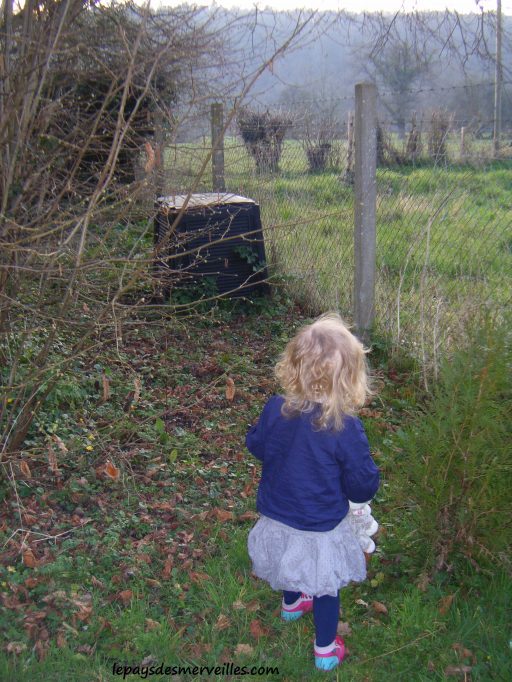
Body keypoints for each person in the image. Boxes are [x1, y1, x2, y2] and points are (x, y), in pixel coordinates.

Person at [245, 312, 380, 672]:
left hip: (278, 510)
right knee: (325, 584)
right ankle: (325, 649)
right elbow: (362, 483)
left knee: (289, 557)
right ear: (350, 377)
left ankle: (291, 605)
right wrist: (362, 490)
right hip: (320, 523)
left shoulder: (276, 408)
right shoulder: (345, 426)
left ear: (294, 365)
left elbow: (257, 445)